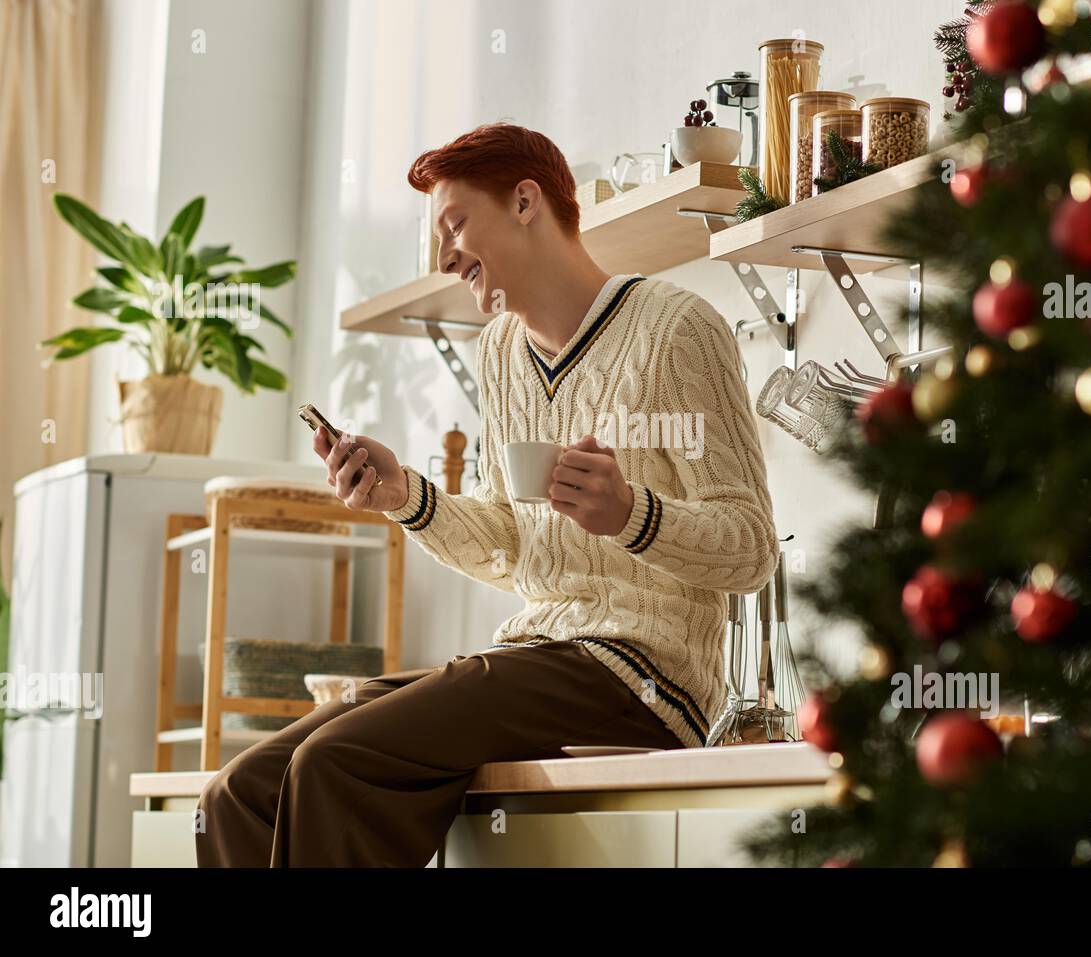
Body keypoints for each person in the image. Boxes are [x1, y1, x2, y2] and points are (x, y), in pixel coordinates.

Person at [195, 123, 777, 867]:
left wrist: (631, 515)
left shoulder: (676, 328)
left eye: (454, 223)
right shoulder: (499, 353)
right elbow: (514, 541)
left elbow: (752, 548)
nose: (443, 255)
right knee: (239, 791)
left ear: (526, 201)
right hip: (539, 655)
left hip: (646, 676)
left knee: (334, 760)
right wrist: (404, 493)